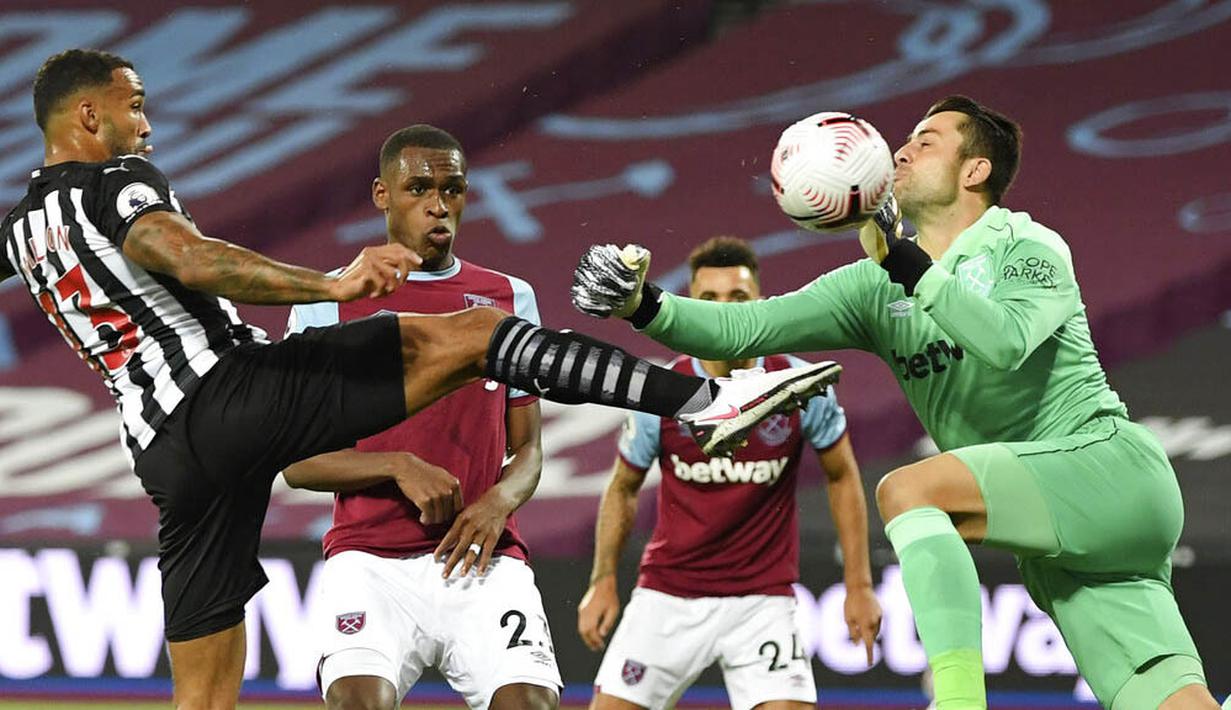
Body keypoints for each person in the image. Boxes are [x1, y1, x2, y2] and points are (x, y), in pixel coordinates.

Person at [0, 48, 841, 709]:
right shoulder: (120, 182)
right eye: (133, 104)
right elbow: (179, 253)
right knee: (478, 335)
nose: (145, 122)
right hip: (227, 392)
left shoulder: (21, 228)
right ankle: (706, 397)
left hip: (162, 453)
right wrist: (327, 285)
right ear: (88, 114)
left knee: (203, 694)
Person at [571, 96, 1217, 709]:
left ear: (975, 170)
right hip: (1063, 546)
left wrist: (905, 261)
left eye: (925, 141)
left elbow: (1005, 342)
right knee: (1156, 695)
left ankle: (957, 700)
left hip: (1108, 475)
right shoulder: (875, 286)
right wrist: (642, 305)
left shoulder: (1024, 246)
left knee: (908, 492)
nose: (900, 152)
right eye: (904, 140)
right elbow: (745, 330)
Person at [282, 124, 561, 710]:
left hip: (481, 557)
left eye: (453, 189)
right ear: (381, 194)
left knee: (531, 704)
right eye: (418, 189)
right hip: (369, 559)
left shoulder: (511, 299)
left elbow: (529, 451)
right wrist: (398, 465)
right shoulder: (327, 306)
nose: (439, 205)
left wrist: (498, 502)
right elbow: (298, 464)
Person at [576, 236, 881, 710]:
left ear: (760, 302)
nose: (723, 311)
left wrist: (859, 585)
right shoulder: (663, 389)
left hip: (763, 600)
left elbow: (842, 477)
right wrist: (602, 580)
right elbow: (623, 487)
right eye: (708, 300)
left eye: (737, 298)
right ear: (688, 307)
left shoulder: (800, 385)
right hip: (668, 596)